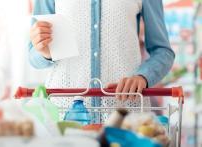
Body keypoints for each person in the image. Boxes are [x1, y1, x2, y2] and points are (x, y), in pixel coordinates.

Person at [29, 0, 175, 114]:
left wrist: (143, 77)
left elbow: (163, 51)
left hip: (122, 114)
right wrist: (44, 52)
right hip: (63, 113)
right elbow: (32, 56)